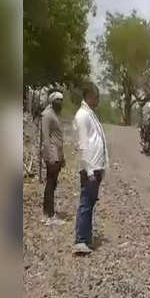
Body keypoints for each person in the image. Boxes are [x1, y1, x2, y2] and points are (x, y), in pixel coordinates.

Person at [72, 82, 108, 254]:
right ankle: (80, 240)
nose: (98, 99)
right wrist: (90, 171)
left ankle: (86, 238)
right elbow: (83, 144)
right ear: (89, 96)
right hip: (90, 168)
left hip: (96, 166)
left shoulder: (89, 114)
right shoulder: (82, 116)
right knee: (86, 203)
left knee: (91, 203)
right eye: (97, 96)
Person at [41, 91, 66, 226]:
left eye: (61, 99)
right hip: (51, 153)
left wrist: (62, 157)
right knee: (50, 184)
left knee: (53, 184)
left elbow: (59, 137)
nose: (60, 102)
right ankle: (49, 215)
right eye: (57, 99)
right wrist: (49, 156)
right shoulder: (47, 115)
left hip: (57, 153)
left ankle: (48, 212)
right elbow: (46, 138)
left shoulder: (56, 114)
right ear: (52, 100)